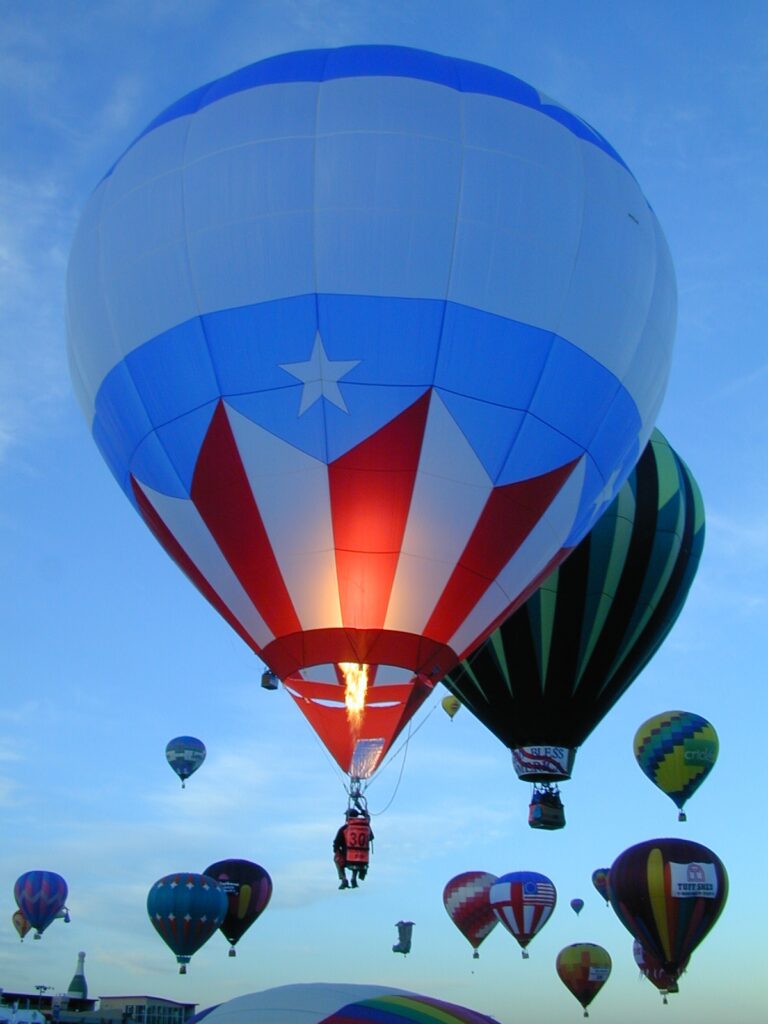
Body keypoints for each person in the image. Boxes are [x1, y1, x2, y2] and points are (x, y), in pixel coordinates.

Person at [333, 808, 374, 889]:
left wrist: (336, 851)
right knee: (357, 859)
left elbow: (336, 843)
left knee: (337, 858)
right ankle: (354, 878)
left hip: (347, 857)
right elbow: (371, 837)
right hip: (362, 859)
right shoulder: (365, 828)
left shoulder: (344, 829)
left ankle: (344, 879)